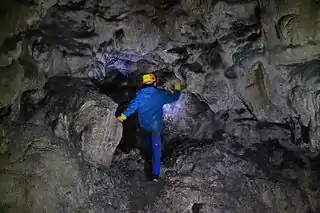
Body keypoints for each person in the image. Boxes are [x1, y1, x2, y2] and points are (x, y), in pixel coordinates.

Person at [117, 73, 182, 182]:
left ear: (143, 84)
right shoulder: (160, 95)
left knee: (146, 145)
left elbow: (131, 107)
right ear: (154, 83)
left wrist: (123, 116)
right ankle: (155, 175)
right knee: (156, 151)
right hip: (156, 128)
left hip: (144, 127)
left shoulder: (139, 96)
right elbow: (174, 97)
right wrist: (177, 88)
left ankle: (147, 159)